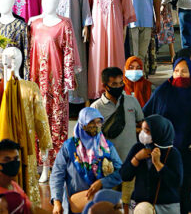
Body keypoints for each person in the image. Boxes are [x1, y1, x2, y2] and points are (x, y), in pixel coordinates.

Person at [143, 56, 191, 214]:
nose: (180, 75)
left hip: (189, 152)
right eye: (176, 71)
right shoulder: (162, 91)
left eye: (184, 71)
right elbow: (148, 115)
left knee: (185, 191)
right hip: (163, 151)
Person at [50, 107, 123, 214]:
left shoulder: (106, 147)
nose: (96, 126)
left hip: (99, 205)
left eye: (99, 122)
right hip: (75, 204)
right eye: (91, 122)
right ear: (82, 124)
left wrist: (102, 182)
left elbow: (121, 172)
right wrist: (57, 201)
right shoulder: (69, 147)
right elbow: (57, 175)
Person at [91, 67, 144, 212]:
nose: (119, 87)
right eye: (114, 84)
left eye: (121, 83)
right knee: (110, 205)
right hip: (108, 167)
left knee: (128, 204)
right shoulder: (96, 107)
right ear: (105, 86)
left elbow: (141, 124)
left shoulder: (132, 102)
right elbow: (91, 138)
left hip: (131, 163)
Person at [120, 115, 184, 213]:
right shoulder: (138, 148)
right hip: (139, 204)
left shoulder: (172, 153)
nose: (142, 134)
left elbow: (176, 182)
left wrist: (158, 164)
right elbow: (124, 175)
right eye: (142, 129)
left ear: (158, 132)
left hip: (165, 206)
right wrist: (136, 158)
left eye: (147, 131)